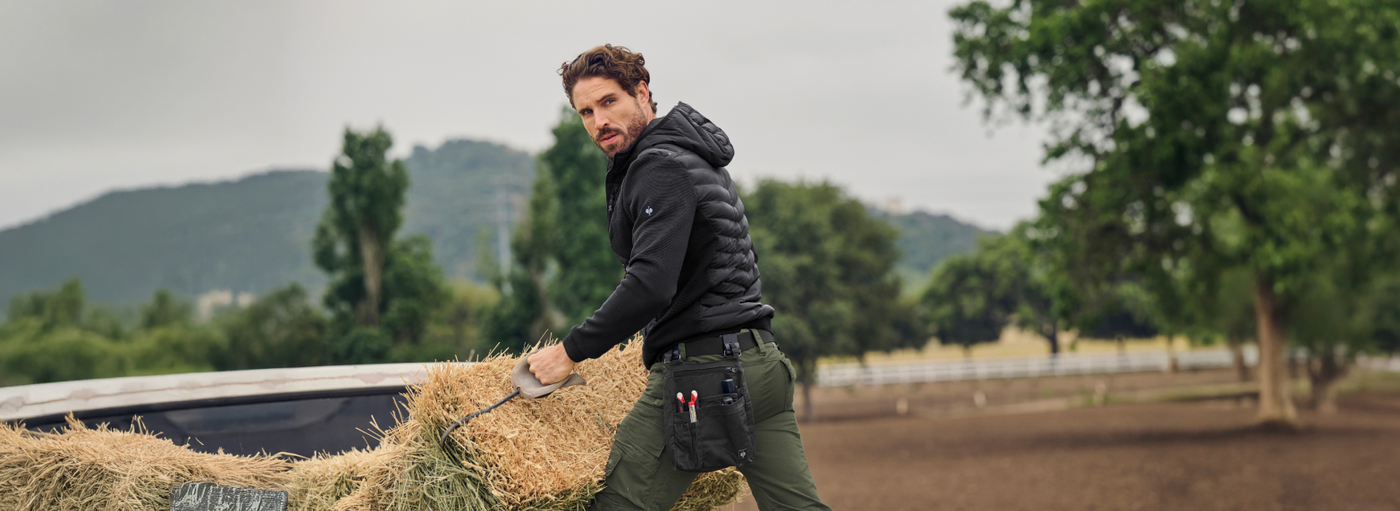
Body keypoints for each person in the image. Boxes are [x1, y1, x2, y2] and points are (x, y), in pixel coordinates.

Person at [526, 45, 830, 511]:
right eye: (585, 111)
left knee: (617, 505)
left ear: (642, 93)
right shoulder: (693, 158)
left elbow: (651, 283)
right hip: (762, 365)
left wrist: (570, 352)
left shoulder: (658, 165)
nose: (598, 121)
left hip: (705, 376)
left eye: (609, 102)